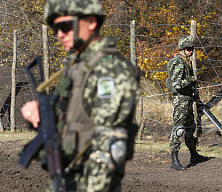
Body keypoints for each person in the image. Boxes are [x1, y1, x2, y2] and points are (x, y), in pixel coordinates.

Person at [21, 0, 140, 191]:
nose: (59, 34)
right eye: (54, 28)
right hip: (68, 177)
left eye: (65, 26)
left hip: (89, 183)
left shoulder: (109, 69)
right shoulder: (78, 67)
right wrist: (38, 113)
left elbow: (109, 146)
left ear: (91, 22)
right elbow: (68, 120)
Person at [166, 36, 203, 170]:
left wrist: (194, 95)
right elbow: (177, 85)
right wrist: (193, 80)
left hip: (187, 99)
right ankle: (174, 160)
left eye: (192, 49)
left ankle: (194, 155)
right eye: (188, 49)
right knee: (178, 129)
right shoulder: (179, 63)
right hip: (181, 100)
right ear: (182, 49)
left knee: (189, 128)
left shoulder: (185, 62)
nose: (191, 51)